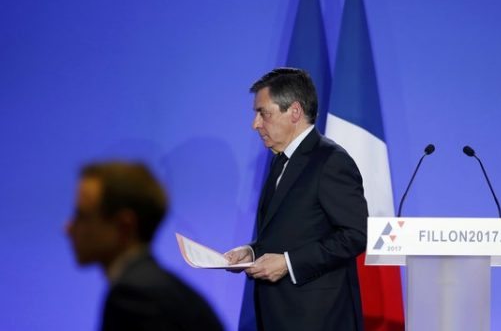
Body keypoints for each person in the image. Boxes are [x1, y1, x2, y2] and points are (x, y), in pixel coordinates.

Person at [226, 68, 368, 331]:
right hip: (278, 315)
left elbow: (356, 234)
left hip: (318, 318)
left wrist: (289, 263)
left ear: (294, 111)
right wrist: (251, 251)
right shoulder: (280, 161)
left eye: (263, 113)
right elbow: (294, 232)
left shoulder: (331, 161)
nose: (255, 124)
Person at [66, 161, 223, 331]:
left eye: (82, 216)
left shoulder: (133, 296)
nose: (67, 228)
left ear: (124, 226)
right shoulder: (162, 287)